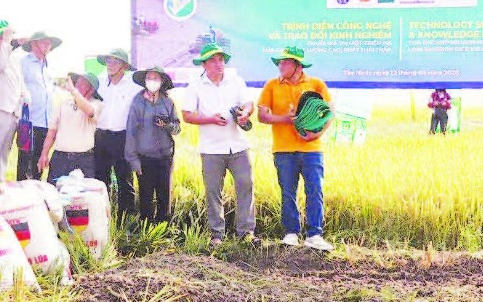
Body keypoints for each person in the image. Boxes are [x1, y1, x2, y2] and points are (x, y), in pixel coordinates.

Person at [257, 46, 334, 251]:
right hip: (283, 149)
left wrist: (315, 134)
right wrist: (287, 120)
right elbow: (262, 116)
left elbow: (329, 113)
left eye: (285, 62)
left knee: (315, 190)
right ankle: (291, 233)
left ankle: (314, 234)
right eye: (280, 62)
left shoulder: (316, 84)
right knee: (288, 192)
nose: (280, 65)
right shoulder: (272, 85)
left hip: (312, 149)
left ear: (297, 65)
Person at [181, 44, 257, 246]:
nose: (219, 64)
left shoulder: (236, 81)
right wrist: (210, 119)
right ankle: (217, 235)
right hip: (211, 149)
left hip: (238, 145)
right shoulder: (195, 87)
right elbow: (187, 115)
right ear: (204, 64)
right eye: (213, 60)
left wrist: (245, 114)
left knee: (246, 185)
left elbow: (249, 104)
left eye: (221, 59)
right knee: (213, 191)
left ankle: (246, 233)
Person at [125, 66, 180, 223]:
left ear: (162, 82)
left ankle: (164, 229)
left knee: (164, 196)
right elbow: (131, 132)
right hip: (145, 157)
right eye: (149, 78)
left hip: (165, 156)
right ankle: (146, 231)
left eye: (156, 78)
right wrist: (133, 160)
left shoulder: (168, 102)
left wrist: (167, 124)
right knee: (146, 196)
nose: (152, 81)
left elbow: (177, 128)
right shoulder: (137, 102)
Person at [94, 48, 142, 218]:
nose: (111, 65)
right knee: (100, 179)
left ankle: (126, 220)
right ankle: (102, 217)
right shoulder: (98, 82)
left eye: (115, 61)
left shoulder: (133, 87)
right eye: (108, 61)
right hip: (100, 136)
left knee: (125, 180)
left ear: (124, 66)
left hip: (123, 137)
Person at [37, 72, 104, 182]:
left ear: (91, 89)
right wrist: (44, 154)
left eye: (83, 83)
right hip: (60, 157)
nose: (77, 84)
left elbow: (89, 111)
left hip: (83, 159)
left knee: (82, 196)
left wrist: (73, 91)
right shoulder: (63, 104)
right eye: (77, 81)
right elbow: (52, 131)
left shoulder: (97, 104)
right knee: (55, 192)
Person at [0, 21, 30, 182]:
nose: (5, 42)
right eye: (1, 39)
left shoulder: (15, 60)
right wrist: (8, 42)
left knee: (4, 154)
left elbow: (20, 84)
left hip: (13, 112)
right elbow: (1, 65)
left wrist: (26, 97)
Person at [18, 31, 62, 180]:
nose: (47, 46)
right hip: (28, 122)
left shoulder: (49, 66)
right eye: (44, 42)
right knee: (25, 164)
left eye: (49, 43)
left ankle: (36, 197)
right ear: (33, 44)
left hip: (46, 122)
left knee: (39, 163)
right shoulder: (23, 63)